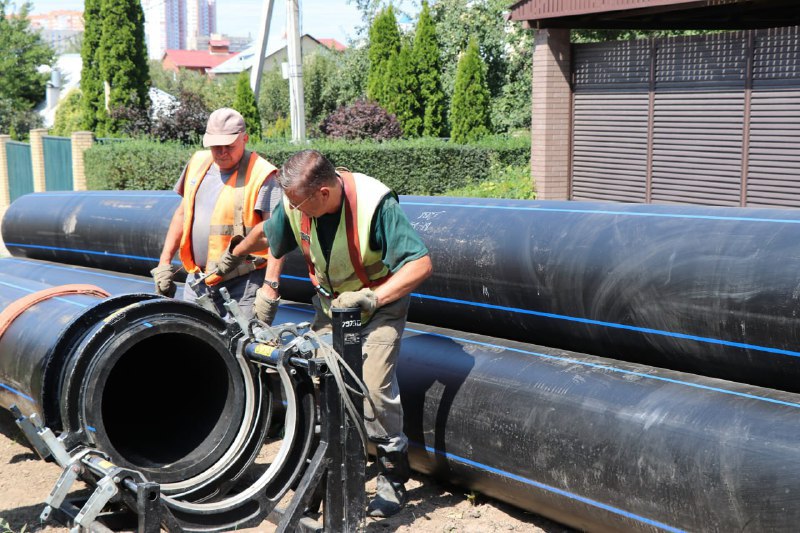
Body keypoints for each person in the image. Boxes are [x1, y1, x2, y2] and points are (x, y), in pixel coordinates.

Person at [221, 149, 433, 518]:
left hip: (379, 305)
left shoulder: (374, 204)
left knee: (373, 389)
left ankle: (392, 477)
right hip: (332, 309)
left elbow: (421, 263)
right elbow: (269, 233)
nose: (296, 211)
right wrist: (234, 253)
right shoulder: (297, 203)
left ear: (323, 192)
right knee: (321, 384)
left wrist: (372, 297)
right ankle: (322, 473)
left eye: (301, 204)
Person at [151, 107, 283, 324]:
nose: (221, 152)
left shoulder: (263, 175)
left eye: (228, 146)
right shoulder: (197, 163)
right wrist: (164, 263)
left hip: (243, 284)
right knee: (193, 341)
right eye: (215, 146)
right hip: (198, 281)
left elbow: (277, 235)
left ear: (245, 139)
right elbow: (182, 214)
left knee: (239, 349)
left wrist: (270, 286)